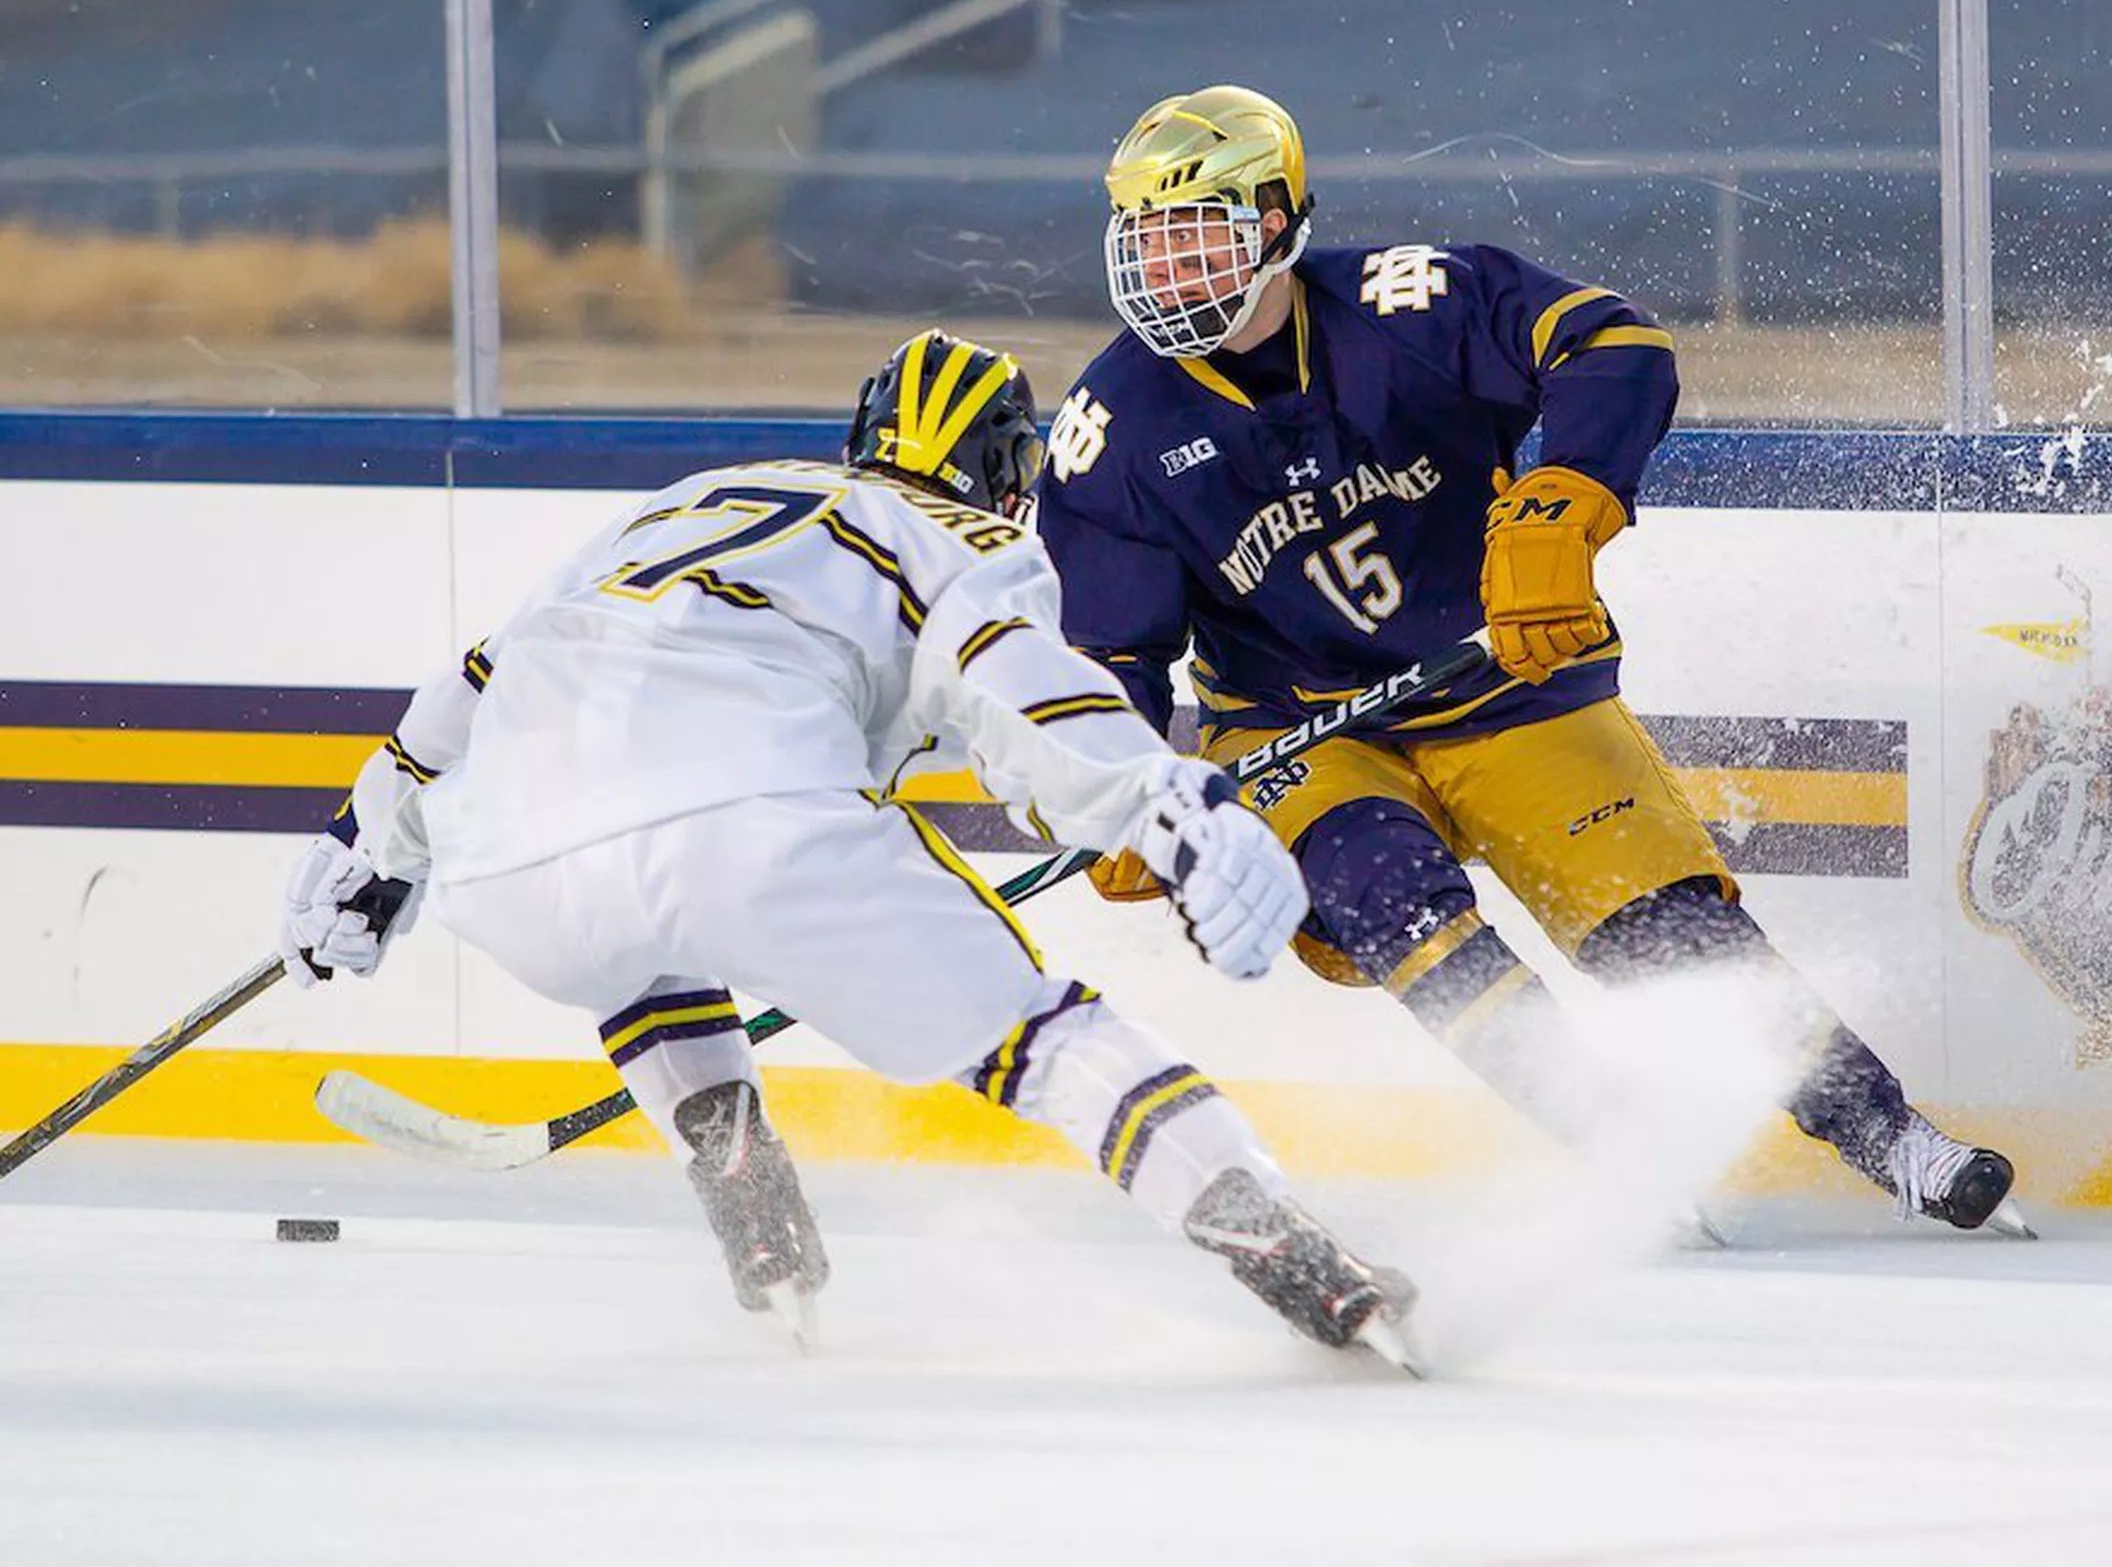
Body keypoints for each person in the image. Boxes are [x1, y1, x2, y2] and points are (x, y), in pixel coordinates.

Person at [274, 329, 1419, 1365]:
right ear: (1007, 470)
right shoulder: (961, 540)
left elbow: (487, 671)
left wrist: (371, 845)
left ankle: (749, 1205)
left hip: (510, 860)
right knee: (1045, 1038)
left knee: (640, 931)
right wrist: (1159, 802)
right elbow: (1020, 694)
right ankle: (1288, 1249)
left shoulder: (696, 496)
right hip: (754, 825)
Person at [1033, 85, 2020, 1232]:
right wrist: (1114, 783)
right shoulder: (1107, 433)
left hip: (1501, 681)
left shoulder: (1406, 304)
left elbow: (1613, 342)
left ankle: (1889, 1135)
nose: (1167, 266)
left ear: (1275, 220)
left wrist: (1564, 497)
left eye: (1195, 230)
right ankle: (1620, 1149)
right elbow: (1112, 650)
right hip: (1302, 731)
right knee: (1401, 909)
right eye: (1145, 238)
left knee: (1669, 935)